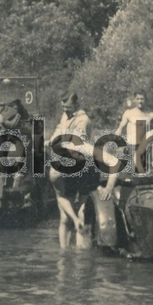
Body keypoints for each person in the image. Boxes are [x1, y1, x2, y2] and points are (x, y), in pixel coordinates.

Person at [48, 92, 94, 248]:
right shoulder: (66, 115)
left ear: (76, 104)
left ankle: (80, 250)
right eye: (62, 105)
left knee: (80, 210)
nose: (64, 108)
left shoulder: (83, 120)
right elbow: (59, 131)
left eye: (67, 106)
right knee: (65, 215)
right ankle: (65, 251)